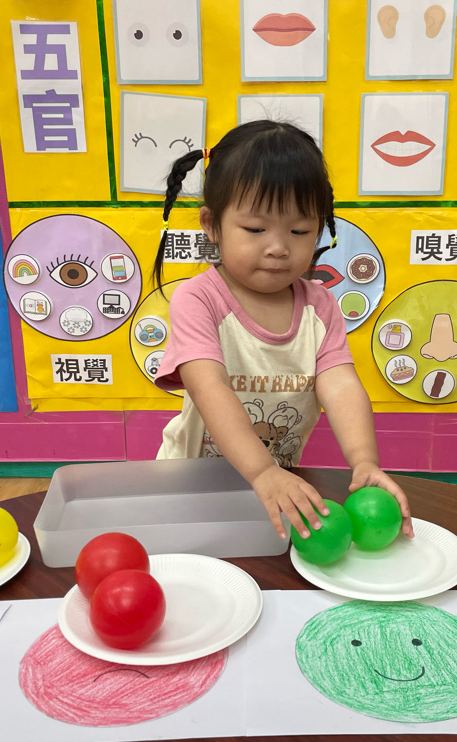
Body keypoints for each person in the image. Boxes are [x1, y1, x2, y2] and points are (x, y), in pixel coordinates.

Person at [152, 120, 413, 541]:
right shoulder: (198, 299)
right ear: (212, 224)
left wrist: (364, 461)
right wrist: (261, 471)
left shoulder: (320, 306)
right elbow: (208, 386)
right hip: (190, 483)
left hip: (277, 483)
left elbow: (341, 386)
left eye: (299, 230)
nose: (278, 247)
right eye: (255, 229)